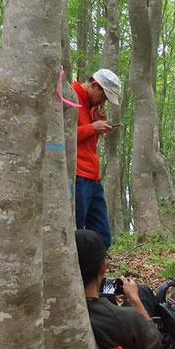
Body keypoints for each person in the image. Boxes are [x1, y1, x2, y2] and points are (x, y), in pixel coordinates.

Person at [76, 229, 164, 349]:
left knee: (141, 289)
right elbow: (154, 346)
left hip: (94, 307)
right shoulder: (125, 317)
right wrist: (135, 300)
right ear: (103, 266)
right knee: (143, 293)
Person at [73, 68, 121, 247]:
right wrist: (92, 127)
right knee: (76, 233)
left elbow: (86, 145)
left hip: (93, 177)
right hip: (77, 175)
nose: (103, 102)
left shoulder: (90, 108)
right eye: (103, 97)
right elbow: (60, 136)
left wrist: (96, 125)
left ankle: (96, 273)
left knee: (102, 237)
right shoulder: (70, 98)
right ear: (95, 86)